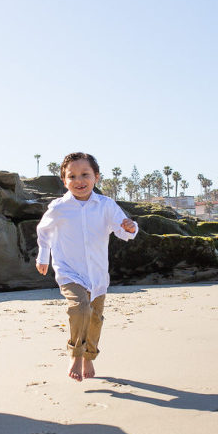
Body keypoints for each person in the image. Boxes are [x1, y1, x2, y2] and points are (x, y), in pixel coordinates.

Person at [36, 152, 138, 381]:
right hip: (68, 271)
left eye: (85, 174)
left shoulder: (105, 205)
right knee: (80, 308)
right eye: (72, 176)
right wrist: (43, 256)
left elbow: (122, 229)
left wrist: (131, 228)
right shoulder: (59, 207)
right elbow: (44, 231)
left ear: (96, 177)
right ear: (64, 180)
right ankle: (76, 354)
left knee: (94, 319)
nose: (79, 181)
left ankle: (89, 356)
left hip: (98, 274)